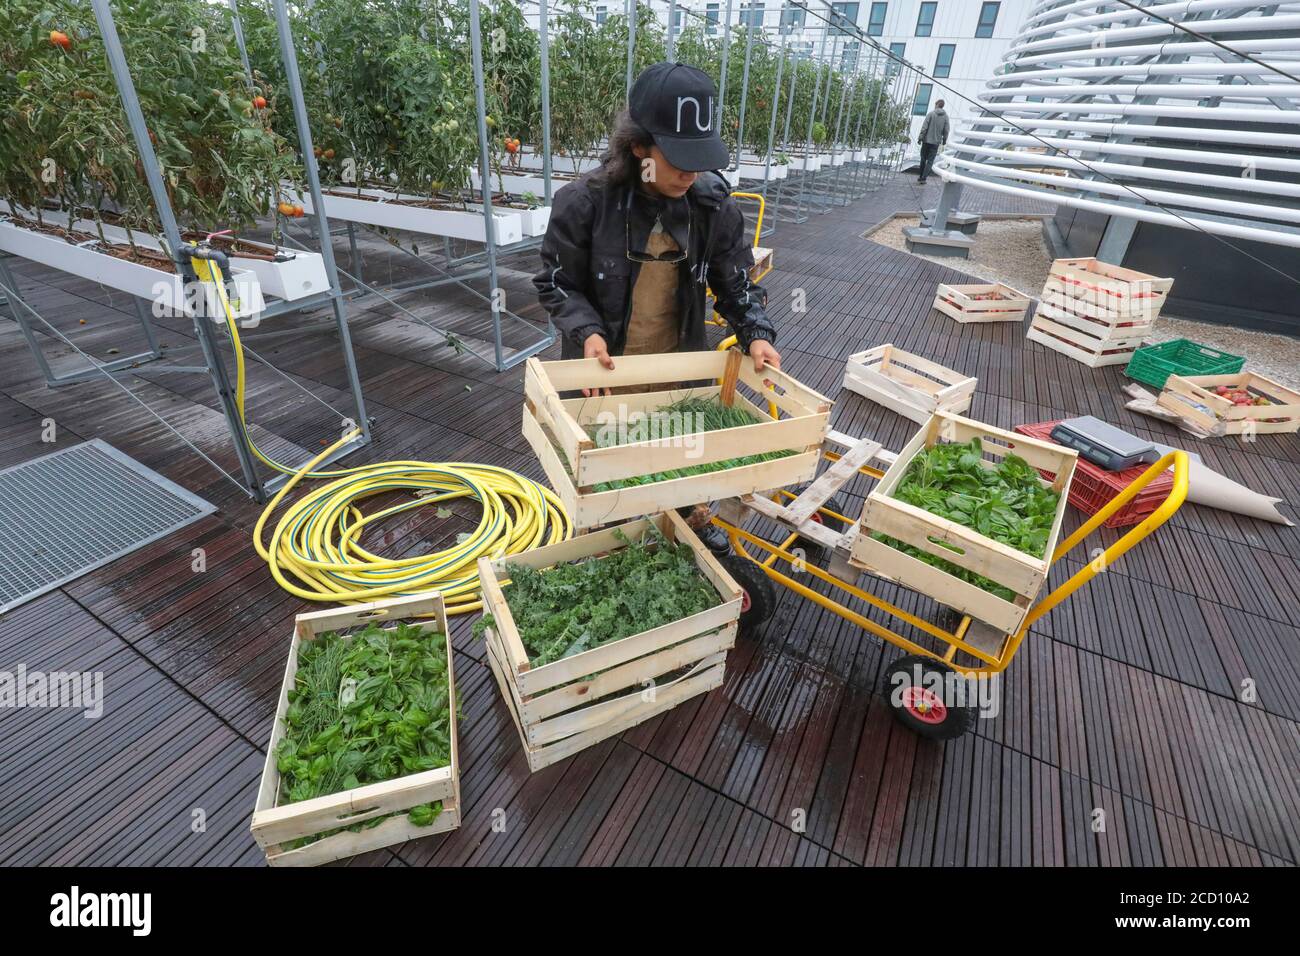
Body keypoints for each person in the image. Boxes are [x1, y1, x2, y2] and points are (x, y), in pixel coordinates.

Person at [533, 62, 781, 551]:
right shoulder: (584, 204)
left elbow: (735, 283)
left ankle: (687, 513)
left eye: (700, 159)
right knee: (606, 466)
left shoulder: (711, 208)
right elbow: (556, 283)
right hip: (603, 369)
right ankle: (603, 529)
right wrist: (588, 333)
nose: (691, 173)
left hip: (676, 362)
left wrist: (755, 332)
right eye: (677, 158)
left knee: (675, 449)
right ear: (638, 147)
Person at [916, 99, 949, 185]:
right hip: (936, 143)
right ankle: (924, 178)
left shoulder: (931, 114)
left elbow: (924, 127)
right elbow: (946, 130)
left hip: (926, 141)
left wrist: (920, 138)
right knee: (930, 161)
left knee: (923, 159)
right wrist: (944, 140)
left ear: (937, 105)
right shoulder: (946, 117)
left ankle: (920, 176)